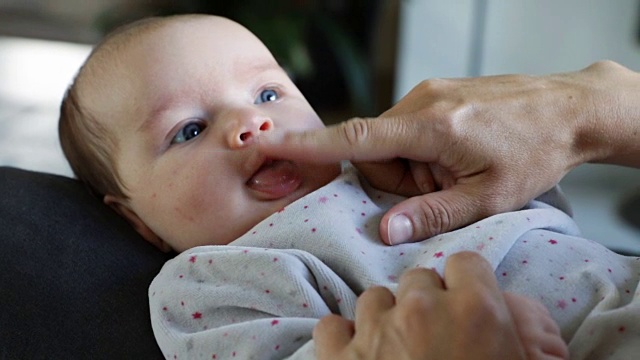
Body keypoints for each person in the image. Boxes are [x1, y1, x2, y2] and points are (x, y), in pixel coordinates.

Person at [57, 14, 636, 360]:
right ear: (137, 223)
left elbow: (539, 214)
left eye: (267, 94)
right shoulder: (211, 281)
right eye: (188, 129)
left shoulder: (399, 168)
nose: (251, 125)